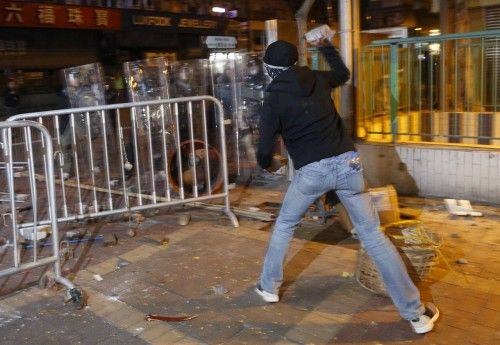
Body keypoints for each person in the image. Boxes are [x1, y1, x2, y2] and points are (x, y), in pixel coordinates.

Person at [254, 39, 440, 334]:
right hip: (349, 165)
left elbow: (264, 150)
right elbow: (342, 74)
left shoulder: (274, 96)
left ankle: (268, 287)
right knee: (374, 237)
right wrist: (326, 45)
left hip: (312, 172)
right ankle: (416, 315)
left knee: (285, 225)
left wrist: (270, 164)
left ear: (270, 68)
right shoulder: (317, 77)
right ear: (295, 61)